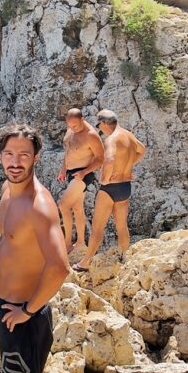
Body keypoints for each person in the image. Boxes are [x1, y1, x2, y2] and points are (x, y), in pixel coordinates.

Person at [0, 122, 69, 373]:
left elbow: (60, 267)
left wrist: (27, 311)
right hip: (7, 309)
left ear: (36, 158)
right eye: (9, 153)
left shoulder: (39, 206)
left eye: (24, 154)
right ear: (0, 158)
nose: (15, 161)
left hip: (23, 317)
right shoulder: (8, 192)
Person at [73, 109, 146, 271]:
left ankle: (85, 263)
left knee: (98, 228)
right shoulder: (129, 135)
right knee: (122, 226)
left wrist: (105, 178)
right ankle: (126, 257)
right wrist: (129, 167)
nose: (101, 130)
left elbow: (110, 159)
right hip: (125, 187)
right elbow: (142, 150)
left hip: (109, 188)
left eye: (100, 126)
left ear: (104, 124)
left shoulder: (111, 139)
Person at [57, 107, 104, 254]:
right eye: (69, 126)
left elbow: (100, 159)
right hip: (71, 173)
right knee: (77, 208)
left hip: (83, 174)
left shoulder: (91, 135)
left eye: (75, 126)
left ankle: (67, 243)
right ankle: (81, 242)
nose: (72, 128)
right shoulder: (71, 130)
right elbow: (69, 151)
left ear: (82, 120)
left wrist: (84, 172)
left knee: (63, 206)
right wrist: (63, 169)